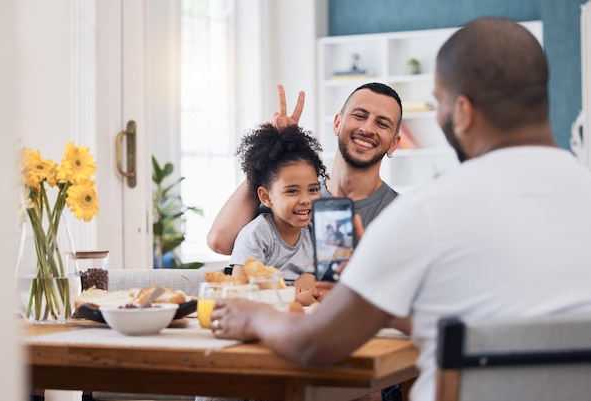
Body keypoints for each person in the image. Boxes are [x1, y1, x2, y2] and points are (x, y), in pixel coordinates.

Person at [208, 17, 591, 401]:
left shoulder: (424, 213)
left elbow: (317, 345)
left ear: (463, 112)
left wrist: (254, 315)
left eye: (439, 104)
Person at [207, 82, 403, 256]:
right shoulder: (294, 195)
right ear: (337, 123)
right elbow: (221, 242)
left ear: (394, 144)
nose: (367, 129)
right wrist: (269, 154)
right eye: (359, 115)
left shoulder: (401, 213)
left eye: (382, 123)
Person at [229, 123, 326, 304]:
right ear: (266, 197)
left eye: (313, 190)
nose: (306, 199)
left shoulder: (316, 233)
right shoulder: (256, 236)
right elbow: (239, 294)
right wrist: (294, 298)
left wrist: (310, 276)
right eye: (292, 191)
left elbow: (331, 286)